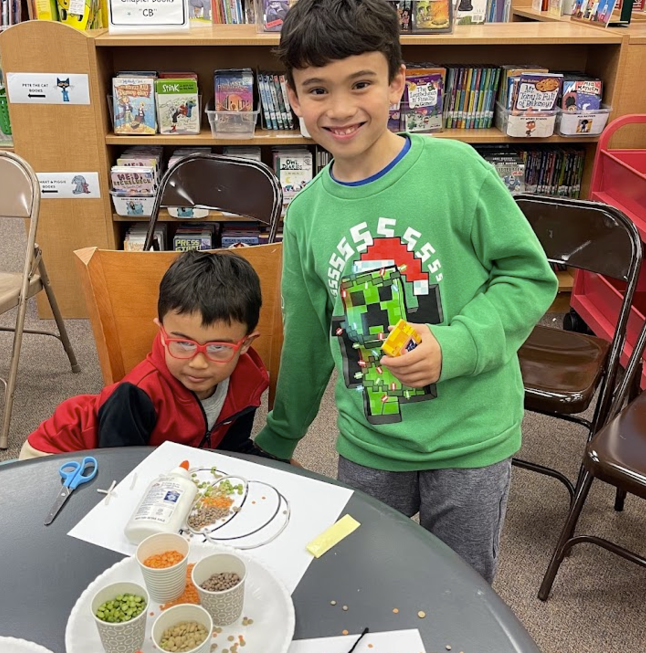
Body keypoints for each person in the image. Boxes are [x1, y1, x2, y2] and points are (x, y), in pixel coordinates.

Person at [253, 0, 558, 584]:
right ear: (291, 96)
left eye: (360, 83)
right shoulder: (307, 212)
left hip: (469, 438)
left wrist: (456, 345)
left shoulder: (457, 170)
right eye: (317, 89)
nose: (340, 109)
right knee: (364, 578)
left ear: (397, 83)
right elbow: (309, 335)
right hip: (370, 440)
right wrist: (283, 431)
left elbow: (528, 277)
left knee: (462, 586)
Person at [20, 250, 271, 460]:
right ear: (162, 333)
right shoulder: (136, 394)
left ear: (245, 344)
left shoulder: (248, 382)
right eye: (182, 343)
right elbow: (119, 471)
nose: (198, 363)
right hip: (57, 455)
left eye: (218, 347)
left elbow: (231, 450)